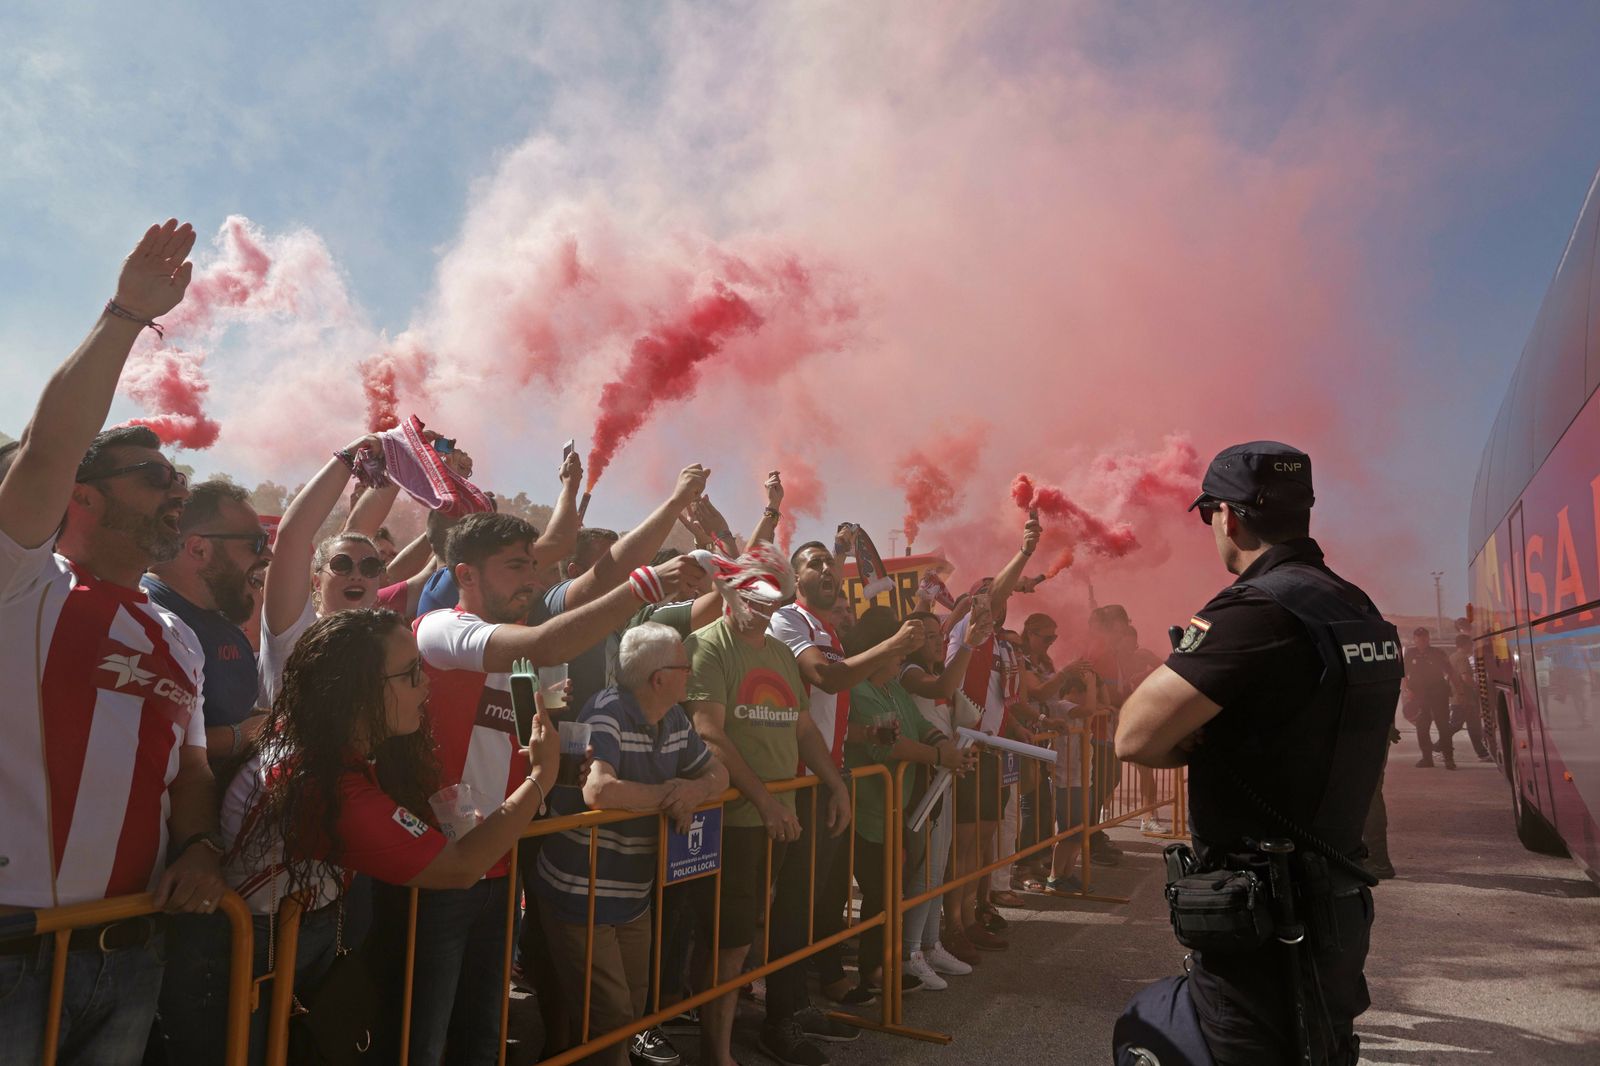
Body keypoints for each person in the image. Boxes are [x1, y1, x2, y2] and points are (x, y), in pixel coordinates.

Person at [0, 220, 227, 1066]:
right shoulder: (24, 584)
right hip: (15, 954)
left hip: (127, 954)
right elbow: (50, 447)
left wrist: (201, 845)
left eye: (180, 479)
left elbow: (193, 769)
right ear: (83, 498)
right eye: (154, 478)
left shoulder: (178, 635)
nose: (178, 492)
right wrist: (126, 315)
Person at [1114, 441, 1401, 1066]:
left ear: (1228, 516)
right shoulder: (1356, 605)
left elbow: (1134, 736)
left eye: (1207, 515)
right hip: (1337, 902)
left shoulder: (1257, 610)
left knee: (1156, 1034)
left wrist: (1199, 740)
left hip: (1261, 918)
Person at [399, 512, 709, 1066]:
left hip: (497, 861)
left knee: (483, 1025)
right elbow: (545, 641)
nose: (532, 580)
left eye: (534, 567)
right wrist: (647, 583)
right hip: (437, 864)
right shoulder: (442, 627)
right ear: (465, 574)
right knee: (425, 1030)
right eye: (516, 566)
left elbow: (532, 745)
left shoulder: (520, 666)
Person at [222, 608, 561, 1064]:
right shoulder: (324, 783)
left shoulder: (323, 742)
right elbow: (458, 867)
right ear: (356, 693)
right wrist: (540, 777)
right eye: (409, 674)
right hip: (251, 955)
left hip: (287, 938)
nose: (427, 685)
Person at [681, 548, 853, 1066]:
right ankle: (717, 1053)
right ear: (732, 587)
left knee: (748, 934)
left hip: (776, 817)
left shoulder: (778, 653)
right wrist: (766, 803)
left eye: (772, 588)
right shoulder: (707, 645)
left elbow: (802, 727)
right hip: (734, 821)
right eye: (753, 586)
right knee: (728, 941)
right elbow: (709, 733)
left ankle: (739, 1034)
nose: (761, 599)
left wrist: (836, 784)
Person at [533, 623, 729, 1066]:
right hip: (580, 892)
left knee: (631, 1009)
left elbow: (719, 775)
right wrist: (673, 795)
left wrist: (693, 791)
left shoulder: (673, 716)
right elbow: (599, 791)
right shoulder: (606, 711)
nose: (692, 671)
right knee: (612, 1014)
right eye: (685, 665)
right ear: (659, 678)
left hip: (632, 894)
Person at [142, 478, 277, 1063]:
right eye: (253, 543)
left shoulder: (221, 623)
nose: (264, 556)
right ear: (198, 548)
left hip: (219, 867)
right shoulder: (147, 616)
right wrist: (251, 734)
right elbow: (153, 747)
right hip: (162, 882)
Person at [766, 539, 921, 1036]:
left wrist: (864, 735)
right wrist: (893, 645)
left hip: (827, 779)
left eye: (832, 564)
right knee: (791, 905)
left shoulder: (828, 628)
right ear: (794, 576)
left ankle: (794, 1004)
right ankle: (781, 1016)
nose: (828, 570)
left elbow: (827, 711)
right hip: (795, 781)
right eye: (815, 563)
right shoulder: (790, 619)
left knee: (812, 902)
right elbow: (825, 680)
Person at [841, 607, 966, 995]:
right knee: (878, 893)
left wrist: (941, 743)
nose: (902, 659)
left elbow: (920, 724)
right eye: (897, 653)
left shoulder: (893, 688)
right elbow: (886, 747)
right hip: (866, 813)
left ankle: (884, 964)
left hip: (894, 809)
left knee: (888, 892)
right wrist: (940, 757)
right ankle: (872, 972)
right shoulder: (858, 690)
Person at [943, 512, 1040, 952]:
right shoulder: (970, 632)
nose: (994, 605)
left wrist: (1018, 728)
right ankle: (953, 925)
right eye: (985, 598)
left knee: (983, 841)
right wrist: (1024, 552)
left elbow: (1004, 701)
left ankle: (974, 912)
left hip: (991, 752)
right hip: (965, 749)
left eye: (997, 602)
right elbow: (993, 593)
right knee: (963, 845)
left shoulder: (1000, 643)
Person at [256, 432, 393, 704]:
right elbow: (293, 534)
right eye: (341, 564)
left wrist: (402, 465)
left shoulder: (385, 639)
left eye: (369, 566)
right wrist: (351, 455)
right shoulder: (295, 629)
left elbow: (358, 534)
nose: (356, 573)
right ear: (317, 581)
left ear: (379, 578)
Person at [897, 606, 986, 976]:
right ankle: (909, 952)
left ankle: (930, 945)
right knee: (925, 868)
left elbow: (960, 715)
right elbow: (943, 689)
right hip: (921, 782)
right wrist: (968, 645)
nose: (936, 642)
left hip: (943, 778)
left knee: (939, 867)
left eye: (939, 635)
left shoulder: (936, 673)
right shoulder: (909, 673)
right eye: (930, 636)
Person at [1404, 627, 1455, 769]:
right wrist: (1407, 691)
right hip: (1419, 697)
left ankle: (1449, 759)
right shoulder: (1410, 654)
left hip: (1438, 695)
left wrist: (1455, 689)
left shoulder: (1437, 653)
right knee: (1422, 728)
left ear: (1428, 639)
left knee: (1443, 726)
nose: (1422, 641)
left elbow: (1450, 672)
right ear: (1414, 639)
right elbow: (1404, 674)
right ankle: (1427, 759)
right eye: (1419, 639)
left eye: (1425, 638)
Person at [1446, 633, 1491, 761]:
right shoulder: (1461, 658)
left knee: (1474, 726)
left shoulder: (1453, 656)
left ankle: (1482, 753)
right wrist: (1477, 685)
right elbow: (1465, 677)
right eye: (1470, 644)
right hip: (1463, 699)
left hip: (1462, 698)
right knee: (1456, 725)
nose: (1472, 646)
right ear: (1465, 645)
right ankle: (1438, 746)